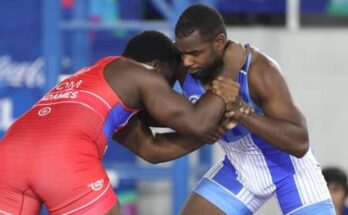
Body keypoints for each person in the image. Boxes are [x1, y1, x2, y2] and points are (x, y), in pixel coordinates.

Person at [0, 30, 245, 215]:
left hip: (8, 157)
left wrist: (204, 134)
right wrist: (230, 67)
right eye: (169, 82)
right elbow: (199, 121)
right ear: (156, 67)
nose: (167, 92)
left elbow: (153, 149)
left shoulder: (99, 83)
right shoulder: (143, 73)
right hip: (60, 159)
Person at [171, 4, 335, 215]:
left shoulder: (259, 70)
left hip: (290, 172)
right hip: (239, 168)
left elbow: (299, 141)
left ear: (219, 43)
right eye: (182, 53)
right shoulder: (183, 66)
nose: (187, 61)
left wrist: (242, 111)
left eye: (195, 53)